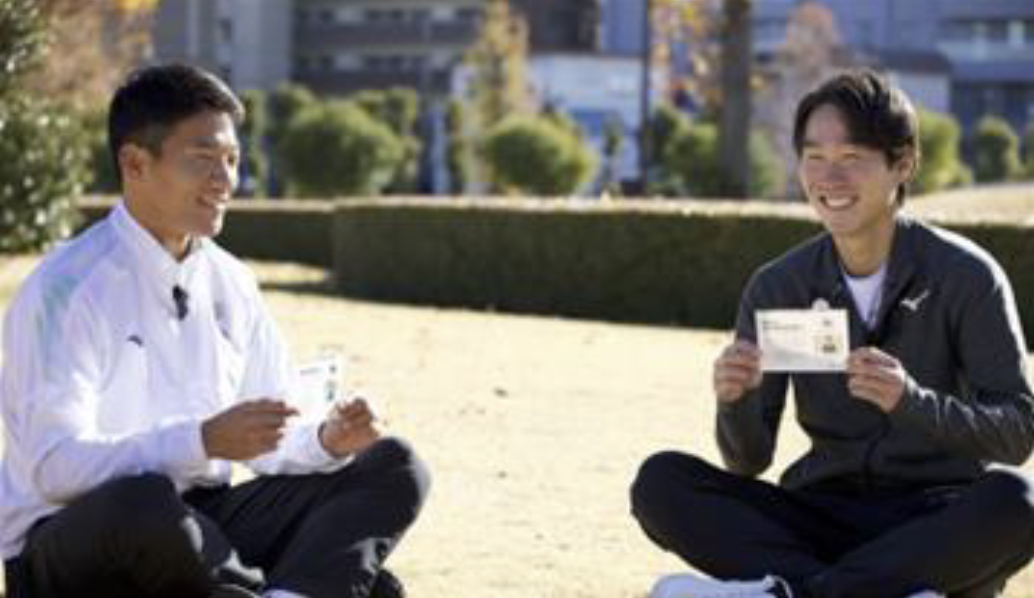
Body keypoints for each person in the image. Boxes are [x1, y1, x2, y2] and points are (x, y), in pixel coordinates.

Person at [0, 63, 430, 598]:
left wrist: (326, 439)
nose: (226, 181)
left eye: (231, 160)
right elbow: (53, 467)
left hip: (202, 523)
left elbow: (269, 440)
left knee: (395, 466)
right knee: (147, 502)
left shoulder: (232, 282)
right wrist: (199, 440)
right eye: (203, 160)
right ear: (135, 163)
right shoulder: (65, 290)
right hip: (73, 539)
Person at [630, 70, 1034, 598]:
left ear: (903, 164)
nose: (830, 178)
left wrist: (912, 402)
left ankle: (792, 593)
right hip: (817, 515)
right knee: (662, 484)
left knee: (1017, 502)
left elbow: (1018, 430)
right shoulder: (778, 285)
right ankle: (875, 590)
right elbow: (748, 460)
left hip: (931, 520)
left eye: (852, 159)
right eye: (814, 158)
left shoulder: (965, 276)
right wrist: (736, 401)